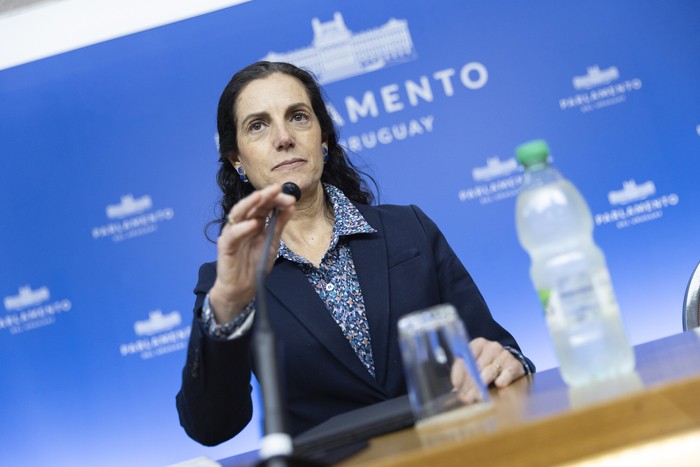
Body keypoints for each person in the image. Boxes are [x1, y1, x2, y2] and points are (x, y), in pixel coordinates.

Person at [176, 61, 534, 447]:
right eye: (258, 126)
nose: (283, 137)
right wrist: (229, 302)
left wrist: (508, 361)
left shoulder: (408, 228)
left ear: (323, 138)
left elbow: (499, 347)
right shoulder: (227, 283)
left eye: (298, 117)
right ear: (237, 159)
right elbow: (211, 427)